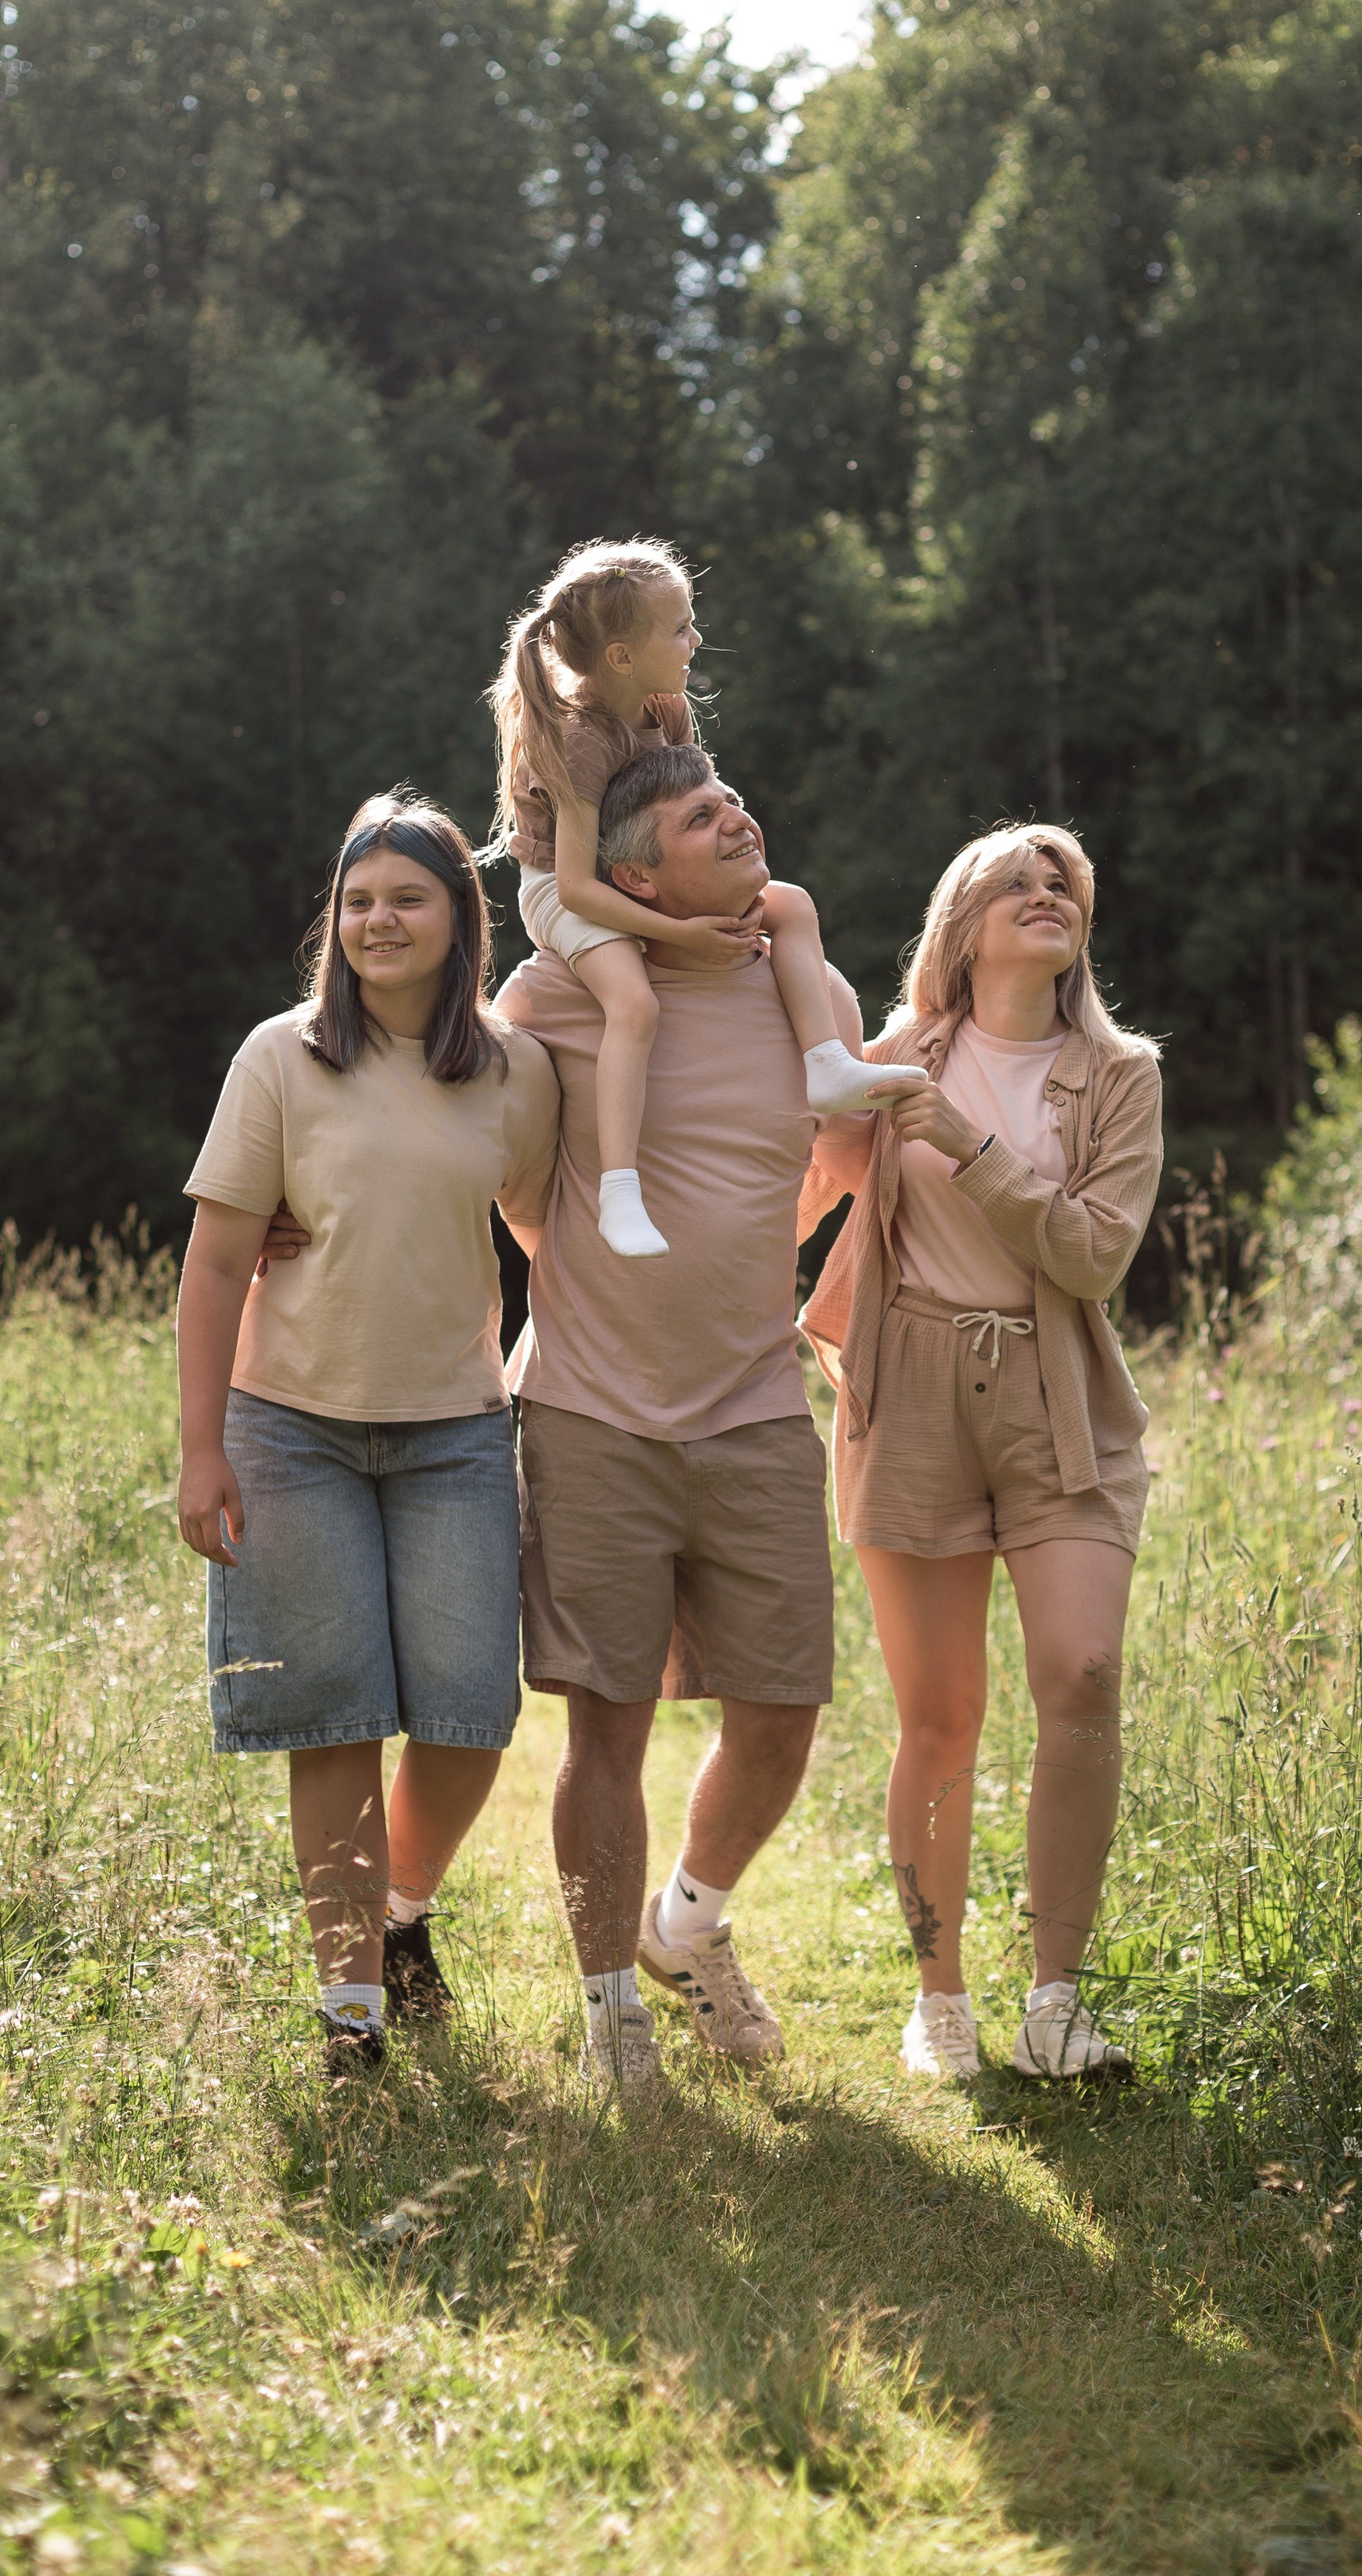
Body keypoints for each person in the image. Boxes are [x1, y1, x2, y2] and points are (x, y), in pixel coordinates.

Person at [495, 742, 877, 2089]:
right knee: (605, 1716)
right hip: (592, 1407)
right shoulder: (553, 991)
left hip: (756, 1404)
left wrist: (744, 1250)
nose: (741, 817)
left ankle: (687, 1923)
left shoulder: (805, 984)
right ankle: (611, 2013)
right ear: (635, 870)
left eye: (738, 801)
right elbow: (515, 1185)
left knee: (785, 1703)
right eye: (704, 815)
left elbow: (833, 1157)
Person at [174, 792, 558, 2073]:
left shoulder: (511, 1069)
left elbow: (550, 1235)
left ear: (460, 915)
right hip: (292, 1432)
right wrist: (200, 1447)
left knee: (464, 1717)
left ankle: (399, 1915)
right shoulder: (283, 1058)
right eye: (358, 902)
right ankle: (352, 2015)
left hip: (456, 1433)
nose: (379, 920)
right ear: (333, 924)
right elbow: (218, 1262)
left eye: (407, 897)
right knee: (332, 1720)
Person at [801, 826, 1163, 2084]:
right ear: (961, 924)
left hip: (1059, 1393)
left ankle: (1055, 2001)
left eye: (1064, 879)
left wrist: (965, 1144)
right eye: (1017, 882)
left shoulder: (1120, 1075)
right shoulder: (892, 1061)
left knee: (1084, 1672)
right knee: (940, 1716)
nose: (1046, 893)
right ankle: (938, 1995)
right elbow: (784, 1194)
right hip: (910, 1396)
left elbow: (1094, 1257)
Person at [485, 537, 921, 1259]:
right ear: (622, 656)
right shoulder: (580, 741)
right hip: (566, 887)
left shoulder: (666, 705)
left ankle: (826, 1063)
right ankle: (620, 1188)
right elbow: (573, 885)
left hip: (635, 870)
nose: (696, 640)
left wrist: (720, 886)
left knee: (795, 906)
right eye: (681, 628)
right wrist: (683, 936)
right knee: (634, 1002)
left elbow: (697, 805)